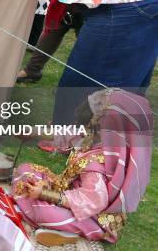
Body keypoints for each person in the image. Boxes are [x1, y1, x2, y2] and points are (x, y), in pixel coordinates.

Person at [13, 89, 153, 245]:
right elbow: (67, 134)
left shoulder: (98, 163)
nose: (84, 130)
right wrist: (34, 132)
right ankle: (60, 228)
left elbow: (93, 201)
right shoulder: (98, 137)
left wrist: (45, 194)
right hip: (72, 193)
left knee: (44, 212)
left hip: (93, 216)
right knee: (25, 169)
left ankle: (73, 233)